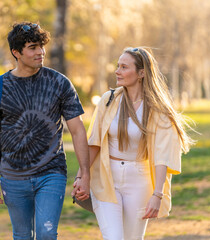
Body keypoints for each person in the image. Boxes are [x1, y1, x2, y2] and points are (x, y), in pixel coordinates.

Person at [0, 22, 90, 240]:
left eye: (41, 46)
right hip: (12, 176)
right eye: (32, 47)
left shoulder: (59, 83)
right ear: (16, 52)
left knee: (46, 233)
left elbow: (78, 130)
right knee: (22, 236)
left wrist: (84, 173)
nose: (40, 52)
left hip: (51, 172)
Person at [73, 47, 193, 240]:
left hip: (139, 181)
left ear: (141, 73)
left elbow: (162, 155)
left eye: (124, 67)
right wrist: (82, 176)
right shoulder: (108, 100)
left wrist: (157, 194)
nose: (117, 71)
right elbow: (94, 142)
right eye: (117, 66)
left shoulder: (157, 109)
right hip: (106, 177)